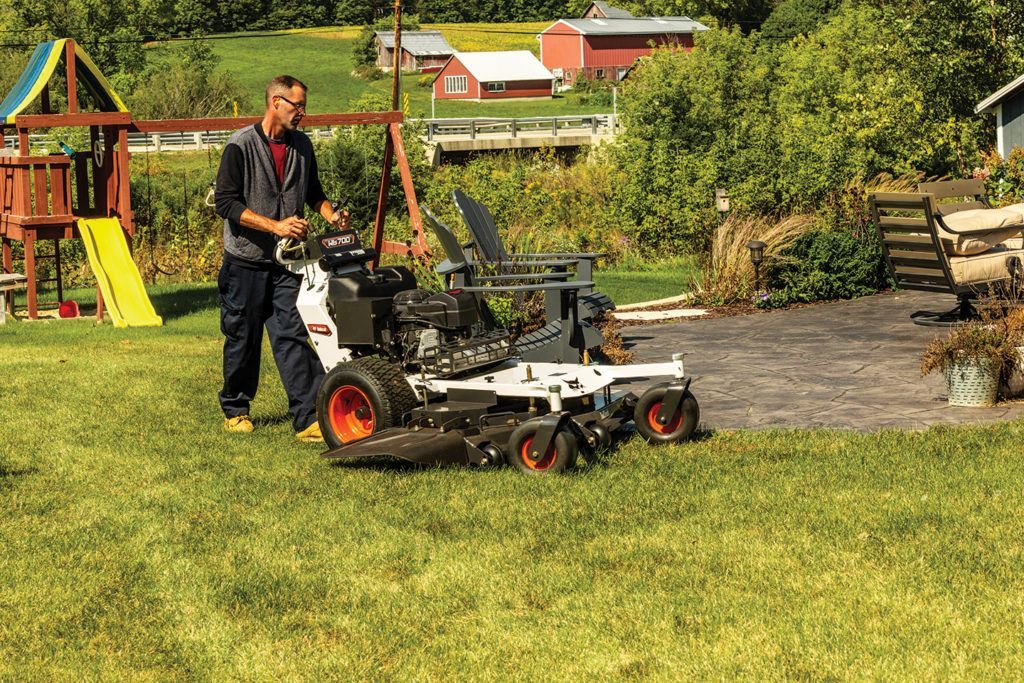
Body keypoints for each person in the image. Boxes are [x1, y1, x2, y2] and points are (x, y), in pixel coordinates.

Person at [214, 75, 346, 441]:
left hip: (287, 263)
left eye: (304, 106)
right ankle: (236, 409)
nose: (303, 112)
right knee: (243, 337)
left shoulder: (302, 145)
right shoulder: (239, 145)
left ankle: (308, 418)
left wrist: (331, 215)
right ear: (275, 102)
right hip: (244, 262)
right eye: (297, 105)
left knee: (292, 334)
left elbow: (314, 192)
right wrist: (275, 226)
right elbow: (226, 204)